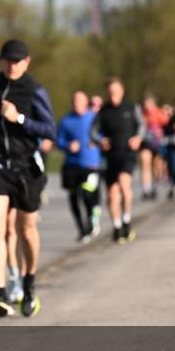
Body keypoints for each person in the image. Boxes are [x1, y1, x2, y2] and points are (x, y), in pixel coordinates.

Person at [0, 39, 55, 318]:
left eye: (18, 60)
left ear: (27, 62)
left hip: (26, 167)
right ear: (1, 60)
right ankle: (0, 294)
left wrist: (18, 118)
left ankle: (29, 284)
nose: (12, 64)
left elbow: (49, 129)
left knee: (26, 230)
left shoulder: (35, 90)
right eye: (8, 59)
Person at [91, 78, 144, 244]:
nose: (113, 94)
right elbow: (93, 131)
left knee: (124, 185)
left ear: (122, 90)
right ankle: (117, 226)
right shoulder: (104, 111)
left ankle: (127, 219)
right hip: (111, 156)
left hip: (127, 154)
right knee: (112, 196)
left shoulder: (131, 107)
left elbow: (142, 125)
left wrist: (138, 138)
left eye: (115, 90)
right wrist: (100, 141)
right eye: (110, 91)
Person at [55, 90, 102, 243]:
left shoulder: (94, 118)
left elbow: (104, 134)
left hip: (91, 164)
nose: (77, 104)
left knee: (87, 192)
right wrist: (67, 145)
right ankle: (82, 229)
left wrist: (97, 140)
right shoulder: (66, 121)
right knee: (73, 198)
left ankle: (92, 217)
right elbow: (58, 140)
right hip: (72, 165)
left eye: (80, 101)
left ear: (86, 102)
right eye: (74, 101)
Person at [139, 95, 168, 201]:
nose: (148, 106)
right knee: (145, 163)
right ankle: (146, 189)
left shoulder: (160, 113)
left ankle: (156, 187)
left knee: (157, 166)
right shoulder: (142, 114)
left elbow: (167, 124)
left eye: (149, 104)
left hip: (157, 143)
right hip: (145, 143)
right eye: (146, 104)